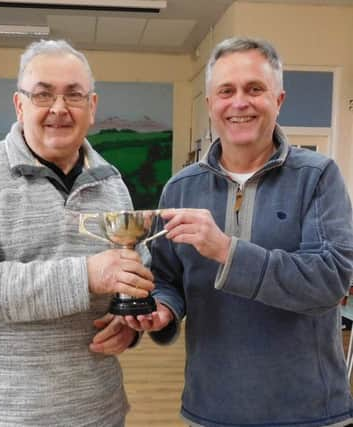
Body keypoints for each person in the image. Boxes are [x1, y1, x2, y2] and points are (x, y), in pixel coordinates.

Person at [121, 36, 353, 426]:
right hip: (210, 408)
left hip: (310, 412)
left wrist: (228, 251)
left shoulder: (319, 177)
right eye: (226, 91)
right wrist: (162, 309)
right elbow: (166, 279)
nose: (240, 102)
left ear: (278, 100)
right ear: (211, 104)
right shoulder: (180, 188)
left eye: (255, 89)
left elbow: (329, 281)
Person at [0, 39, 154, 427]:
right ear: (20, 105)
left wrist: (128, 323)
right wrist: (86, 276)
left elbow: (131, 273)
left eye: (74, 95)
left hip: (98, 412)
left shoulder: (113, 184)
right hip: (1, 417)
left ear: (92, 106)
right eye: (42, 94)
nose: (58, 108)